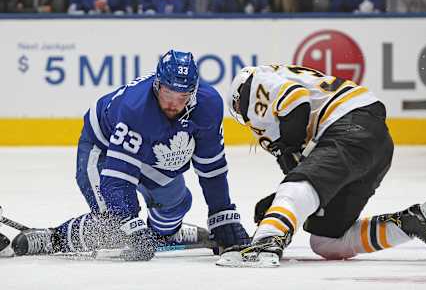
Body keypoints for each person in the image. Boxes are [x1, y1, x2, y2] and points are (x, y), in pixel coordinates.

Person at [11, 49, 249, 261]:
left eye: (183, 96)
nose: (174, 105)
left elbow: (212, 167)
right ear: (157, 84)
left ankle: (164, 235)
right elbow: (118, 177)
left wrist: (221, 212)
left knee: (178, 203)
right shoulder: (135, 108)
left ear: (194, 91)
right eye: (168, 93)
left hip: (146, 148)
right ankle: (53, 238)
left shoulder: (209, 105)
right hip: (102, 148)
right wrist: (128, 222)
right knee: (113, 228)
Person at [216, 65, 426, 267]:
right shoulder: (284, 96)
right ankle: (410, 223)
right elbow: (299, 171)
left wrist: (282, 204)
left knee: (296, 187)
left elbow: (294, 99)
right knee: (327, 242)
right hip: (372, 142)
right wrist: (279, 205)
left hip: (348, 124)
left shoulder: (258, 79)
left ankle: (266, 242)